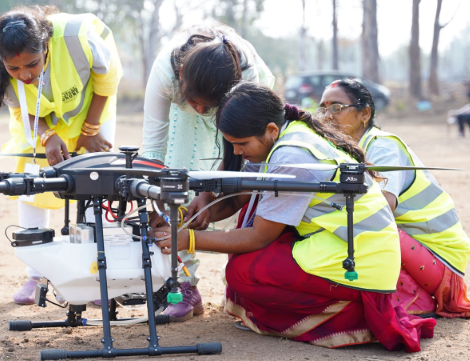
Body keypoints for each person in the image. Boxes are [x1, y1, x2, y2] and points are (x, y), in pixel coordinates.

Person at [155, 82, 436, 352]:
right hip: (348, 246)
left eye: (241, 144)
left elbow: (259, 236)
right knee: (248, 246)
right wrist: (189, 215)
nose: (237, 152)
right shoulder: (286, 136)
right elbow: (239, 194)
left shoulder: (291, 155)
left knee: (242, 274)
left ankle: (354, 317)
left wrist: (188, 239)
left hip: (358, 258)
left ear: (270, 130)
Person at [319, 79, 470, 318]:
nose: (327, 116)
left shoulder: (382, 146)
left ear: (364, 113)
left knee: (363, 231)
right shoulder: (347, 150)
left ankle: (416, 301)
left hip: (440, 258)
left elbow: (382, 209)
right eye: (322, 108)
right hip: (417, 249)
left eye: (337, 108)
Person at [0, 5, 122, 304]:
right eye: (14, 69)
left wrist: (91, 130)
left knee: (97, 180)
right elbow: (21, 110)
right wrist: (47, 136)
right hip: (39, 120)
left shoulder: (80, 37)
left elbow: (107, 82)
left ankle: (100, 274)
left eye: (31, 64)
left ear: (46, 45)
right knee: (31, 183)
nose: (25, 75)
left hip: (92, 108)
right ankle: (36, 273)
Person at [140, 24, 274, 322]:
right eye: (194, 101)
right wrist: (160, 197)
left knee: (248, 179)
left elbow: (238, 153)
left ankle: (240, 285)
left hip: (239, 114)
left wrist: (208, 192)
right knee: (175, 176)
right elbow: (153, 148)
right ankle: (183, 283)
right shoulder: (165, 72)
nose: (200, 110)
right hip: (181, 119)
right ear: (181, 81)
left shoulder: (248, 80)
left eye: (207, 106)